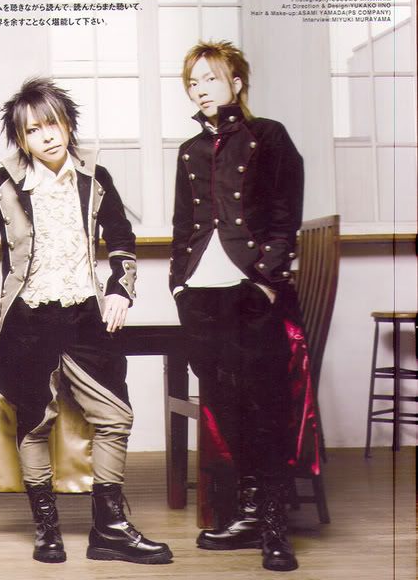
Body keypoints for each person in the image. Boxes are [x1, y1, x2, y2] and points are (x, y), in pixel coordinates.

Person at [0, 78, 172, 565]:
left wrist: (120, 289)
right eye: (33, 130)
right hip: (26, 319)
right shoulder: (0, 182)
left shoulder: (95, 178)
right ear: (22, 139)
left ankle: (110, 530)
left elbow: (121, 238)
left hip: (84, 315)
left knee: (115, 417)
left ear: (68, 124)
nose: (47, 135)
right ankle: (47, 530)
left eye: (52, 123)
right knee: (34, 423)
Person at [170, 40, 313, 572]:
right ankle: (252, 511)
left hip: (251, 287)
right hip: (200, 292)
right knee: (225, 404)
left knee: (264, 402)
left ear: (236, 82)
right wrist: (179, 285)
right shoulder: (188, 150)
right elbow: (183, 226)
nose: (200, 89)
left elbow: (284, 214)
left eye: (210, 78)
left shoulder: (269, 136)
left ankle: (274, 523)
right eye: (193, 82)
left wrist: (267, 280)